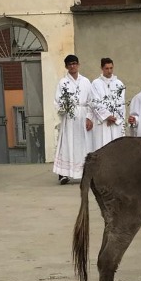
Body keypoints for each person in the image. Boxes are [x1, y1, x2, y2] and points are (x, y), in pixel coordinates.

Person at [53, 55, 93, 184]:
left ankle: (85, 172)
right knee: (67, 143)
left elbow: (91, 101)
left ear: (78, 65)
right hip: (69, 118)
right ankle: (63, 173)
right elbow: (57, 101)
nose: (72, 66)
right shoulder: (63, 83)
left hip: (82, 115)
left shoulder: (86, 81)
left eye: (74, 63)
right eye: (70, 64)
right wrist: (65, 108)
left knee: (83, 144)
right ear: (66, 66)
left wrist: (89, 117)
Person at [88, 57, 125, 151]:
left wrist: (113, 117)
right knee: (102, 147)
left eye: (111, 68)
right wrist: (107, 116)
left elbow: (121, 103)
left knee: (116, 149)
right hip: (103, 123)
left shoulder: (119, 84)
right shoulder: (96, 83)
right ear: (102, 68)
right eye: (107, 68)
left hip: (115, 122)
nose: (109, 71)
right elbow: (95, 102)